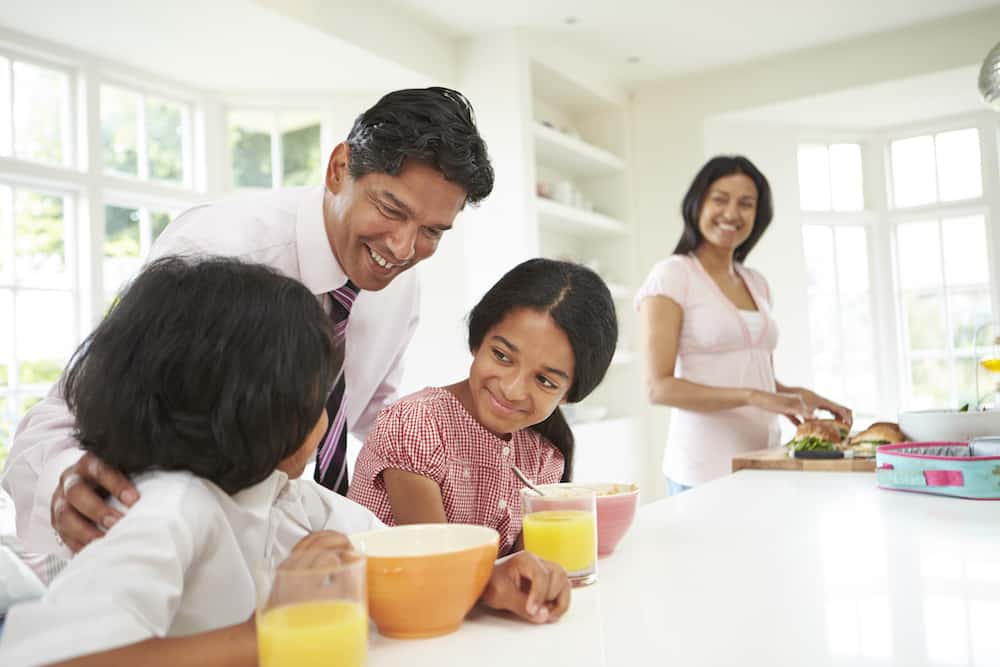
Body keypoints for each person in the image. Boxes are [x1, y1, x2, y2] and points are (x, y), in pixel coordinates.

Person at [0, 257, 571, 667]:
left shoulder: (288, 495)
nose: (327, 422)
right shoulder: (168, 508)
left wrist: (489, 582)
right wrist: (271, 631)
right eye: (318, 398)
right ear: (253, 414)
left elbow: (405, 553)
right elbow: (49, 660)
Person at [1, 86, 495, 555]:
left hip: (280, 543)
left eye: (432, 231)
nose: (404, 248)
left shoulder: (398, 285)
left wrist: (475, 418)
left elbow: (370, 412)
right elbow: (74, 408)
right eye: (391, 209)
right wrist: (67, 477)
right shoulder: (216, 249)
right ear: (339, 169)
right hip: (146, 540)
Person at [348, 258, 618, 554]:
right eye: (502, 356)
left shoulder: (544, 458)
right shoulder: (416, 426)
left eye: (544, 380)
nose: (512, 389)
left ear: (568, 394)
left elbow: (525, 570)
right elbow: (441, 568)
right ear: (478, 340)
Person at [635, 155, 852, 495]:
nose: (732, 213)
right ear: (697, 204)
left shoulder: (756, 282)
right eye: (720, 199)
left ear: (758, 215)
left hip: (765, 460)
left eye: (746, 204)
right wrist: (754, 397)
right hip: (703, 471)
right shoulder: (673, 275)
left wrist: (799, 397)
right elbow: (658, 388)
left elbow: (754, 375)